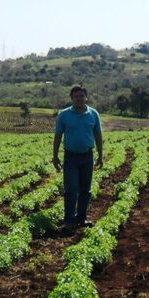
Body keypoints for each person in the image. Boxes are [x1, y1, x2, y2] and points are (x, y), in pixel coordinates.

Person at [53, 85, 103, 234]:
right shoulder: (64, 115)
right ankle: (69, 220)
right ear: (72, 98)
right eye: (76, 96)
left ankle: (81, 218)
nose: (79, 99)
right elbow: (58, 136)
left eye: (81, 96)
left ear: (86, 97)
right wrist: (55, 156)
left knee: (85, 190)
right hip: (71, 157)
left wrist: (101, 155)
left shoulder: (93, 114)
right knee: (70, 190)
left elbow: (98, 135)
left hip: (87, 156)